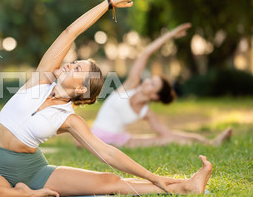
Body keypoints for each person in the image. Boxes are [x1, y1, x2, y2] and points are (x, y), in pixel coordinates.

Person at [0, 0, 213, 197]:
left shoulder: (69, 119)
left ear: (81, 88)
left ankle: (183, 187)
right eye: (75, 61)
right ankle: (23, 194)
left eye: (77, 68)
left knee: (109, 182)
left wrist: (155, 177)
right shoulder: (40, 81)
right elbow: (71, 32)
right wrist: (107, 4)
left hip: (35, 173)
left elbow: (107, 152)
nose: (70, 64)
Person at [91, 23, 232, 148]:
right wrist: (170, 35)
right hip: (97, 137)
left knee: (165, 139)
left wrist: (196, 138)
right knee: (86, 143)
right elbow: (145, 53)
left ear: (155, 96)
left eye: (152, 84)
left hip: (120, 140)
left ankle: (211, 143)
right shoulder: (129, 86)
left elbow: (166, 134)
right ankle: (210, 143)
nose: (146, 81)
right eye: (150, 79)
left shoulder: (146, 112)